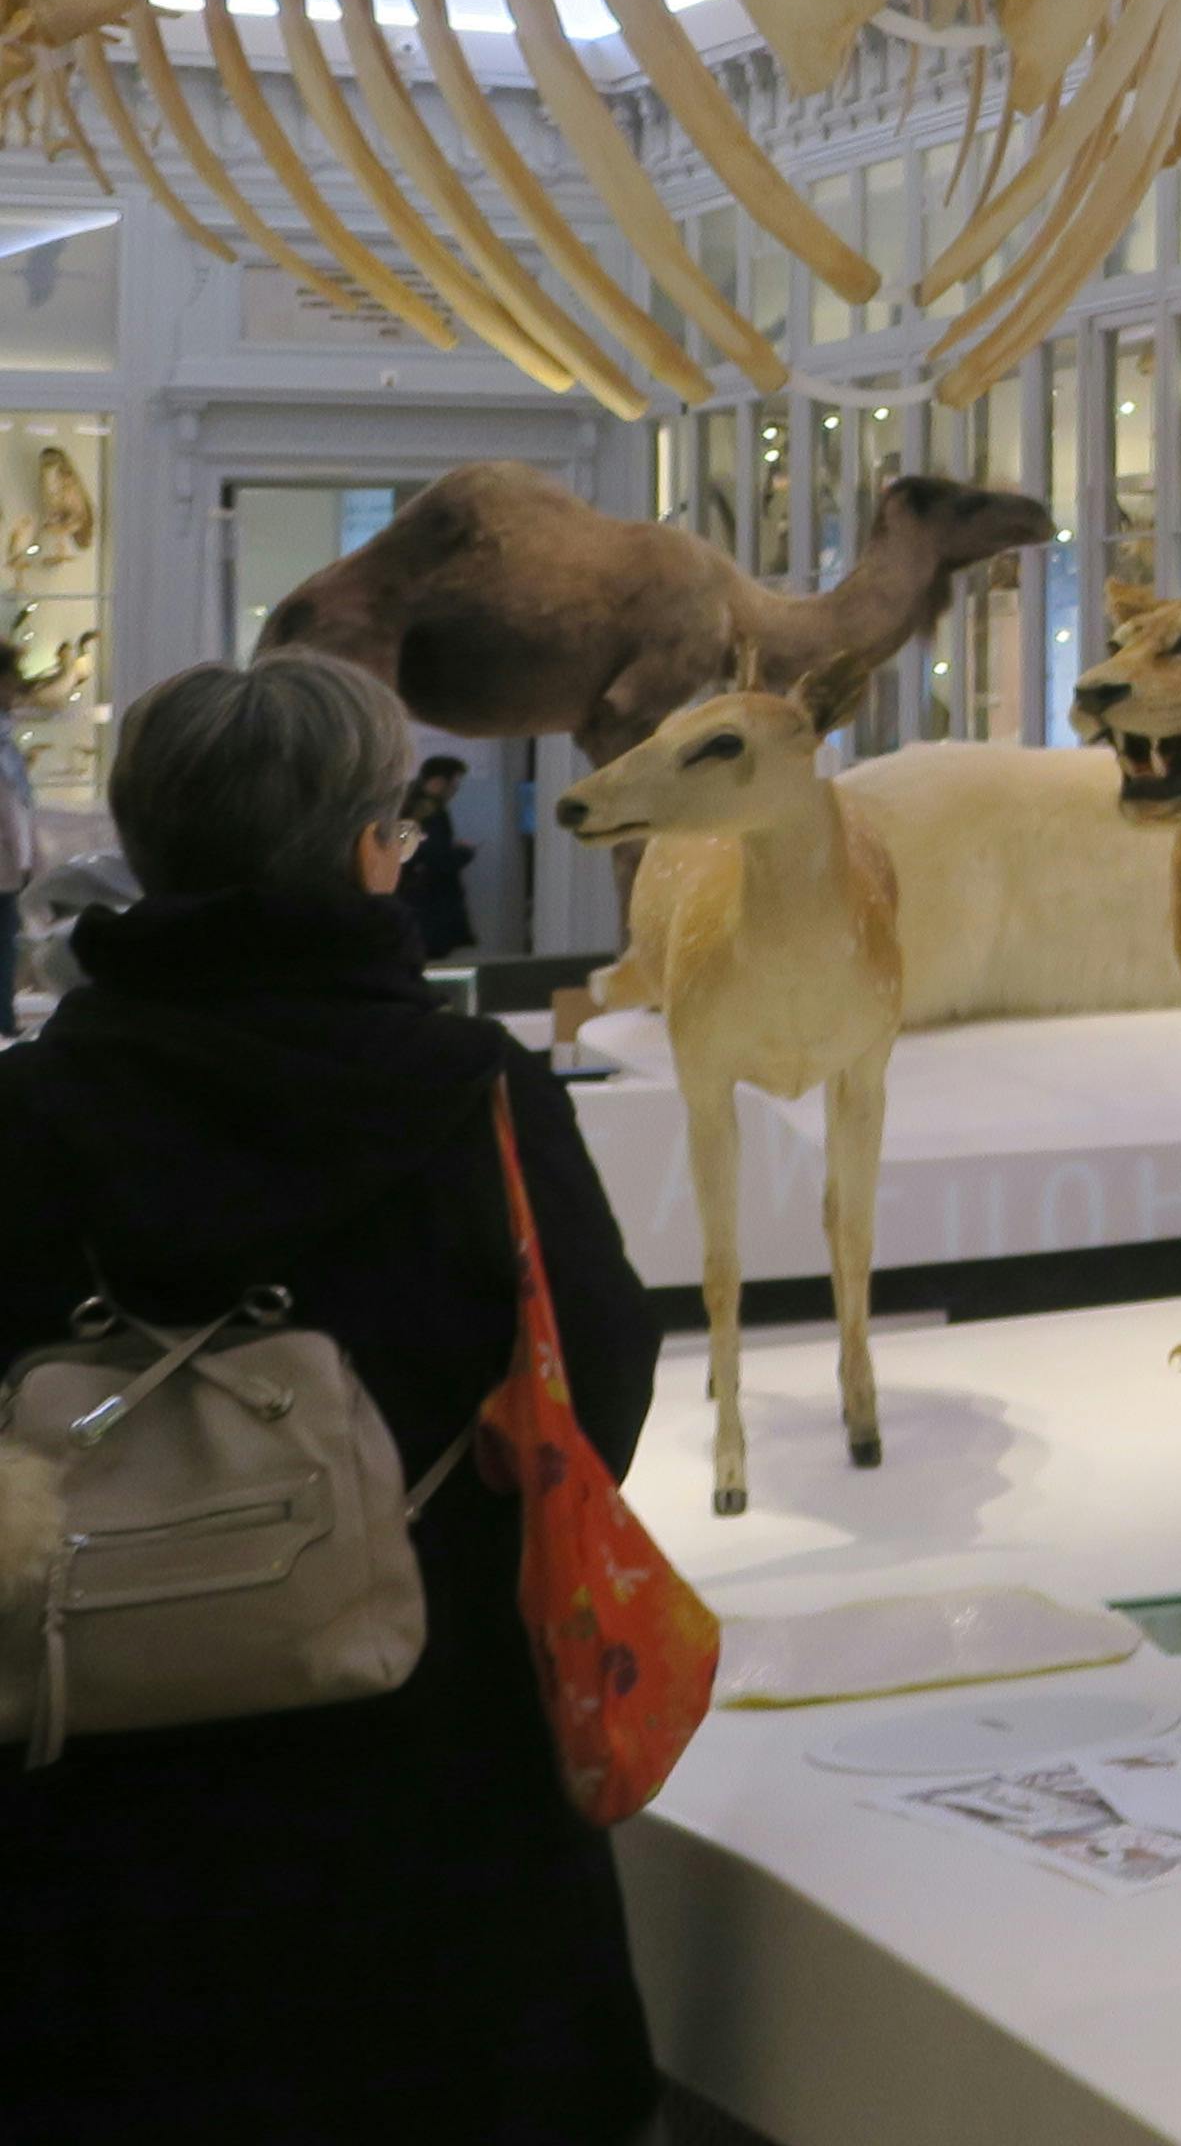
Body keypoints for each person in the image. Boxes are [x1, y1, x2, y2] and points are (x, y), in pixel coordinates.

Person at [0, 652, 663, 2143]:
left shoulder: (25, 1115)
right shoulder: (476, 1091)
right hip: (427, 1791)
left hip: (85, 1806)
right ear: (371, 850)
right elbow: (594, 1383)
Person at [395, 753, 479, 961]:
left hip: (411, 898)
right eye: (453, 785)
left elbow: (406, 850)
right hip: (432, 903)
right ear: (439, 782)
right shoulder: (430, 811)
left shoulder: (408, 805)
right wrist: (463, 853)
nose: (454, 791)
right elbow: (438, 857)